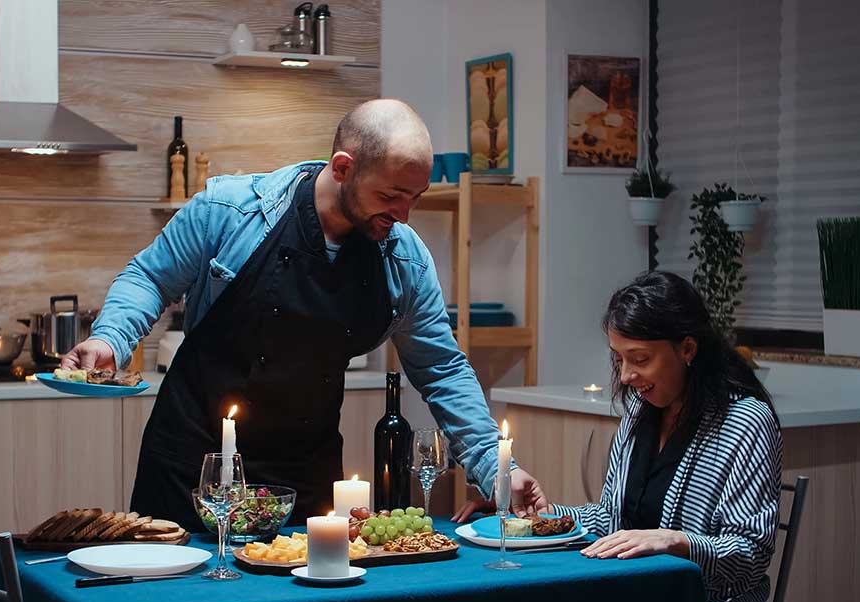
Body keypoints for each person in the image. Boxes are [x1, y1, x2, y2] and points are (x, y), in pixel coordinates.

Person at [62, 99, 547, 528]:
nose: (404, 215)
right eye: (390, 196)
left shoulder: (404, 259)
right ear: (342, 167)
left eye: (414, 197)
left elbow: (441, 369)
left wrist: (497, 470)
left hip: (303, 479)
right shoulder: (229, 211)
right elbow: (149, 278)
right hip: (193, 467)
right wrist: (110, 341)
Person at [504, 271, 779, 602]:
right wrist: (547, 518)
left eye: (640, 359)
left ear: (687, 348)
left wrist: (675, 541)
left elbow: (750, 554)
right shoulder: (640, 409)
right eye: (619, 360)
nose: (626, 377)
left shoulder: (744, 421)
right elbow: (612, 520)